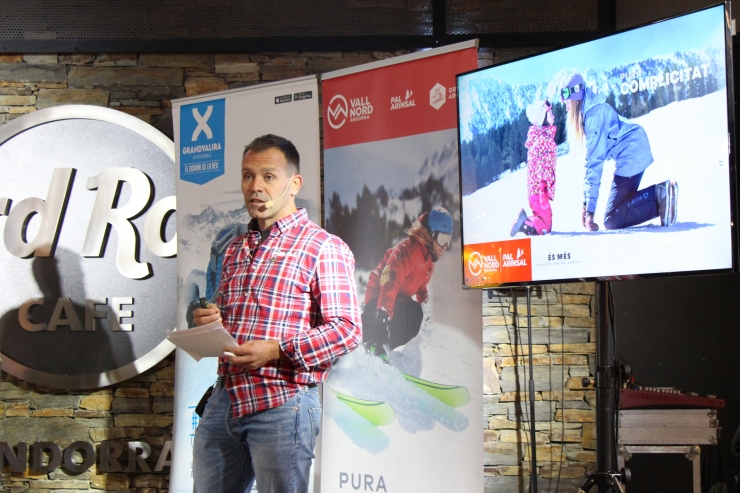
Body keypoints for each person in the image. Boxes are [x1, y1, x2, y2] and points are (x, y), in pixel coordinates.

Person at [191, 134, 362, 493]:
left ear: (294, 183)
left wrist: (275, 350)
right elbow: (232, 313)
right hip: (225, 398)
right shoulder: (235, 247)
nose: (255, 187)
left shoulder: (322, 247)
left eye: (268, 176)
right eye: (247, 176)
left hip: (283, 403)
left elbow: (346, 330)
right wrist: (211, 319)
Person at [561, 73, 678, 231]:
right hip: (632, 147)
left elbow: (595, 164)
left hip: (631, 150)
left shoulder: (593, 117)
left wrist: (590, 211)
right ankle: (660, 196)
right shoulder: (590, 112)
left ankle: (660, 195)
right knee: (618, 210)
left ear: (575, 99)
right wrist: (585, 204)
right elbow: (591, 162)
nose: (566, 107)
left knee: (612, 219)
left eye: (567, 102)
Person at [361, 207, 452, 359]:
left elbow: (420, 286)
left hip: (397, 301)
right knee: (378, 327)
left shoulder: (429, 259)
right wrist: (382, 314)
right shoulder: (408, 250)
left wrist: (424, 302)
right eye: (442, 240)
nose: (444, 247)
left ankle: (386, 350)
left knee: (415, 313)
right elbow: (390, 281)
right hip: (379, 299)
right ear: (431, 234)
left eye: (447, 241)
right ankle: (371, 344)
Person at [511, 99, 558, 236]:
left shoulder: (539, 137)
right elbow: (543, 167)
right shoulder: (544, 140)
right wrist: (543, 190)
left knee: (543, 219)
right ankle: (524, 224)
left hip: (535, 192)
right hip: (539, 192)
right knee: (546, 225)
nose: (553, 116)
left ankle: (525, 222)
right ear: (543, 118)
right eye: (549, 113)